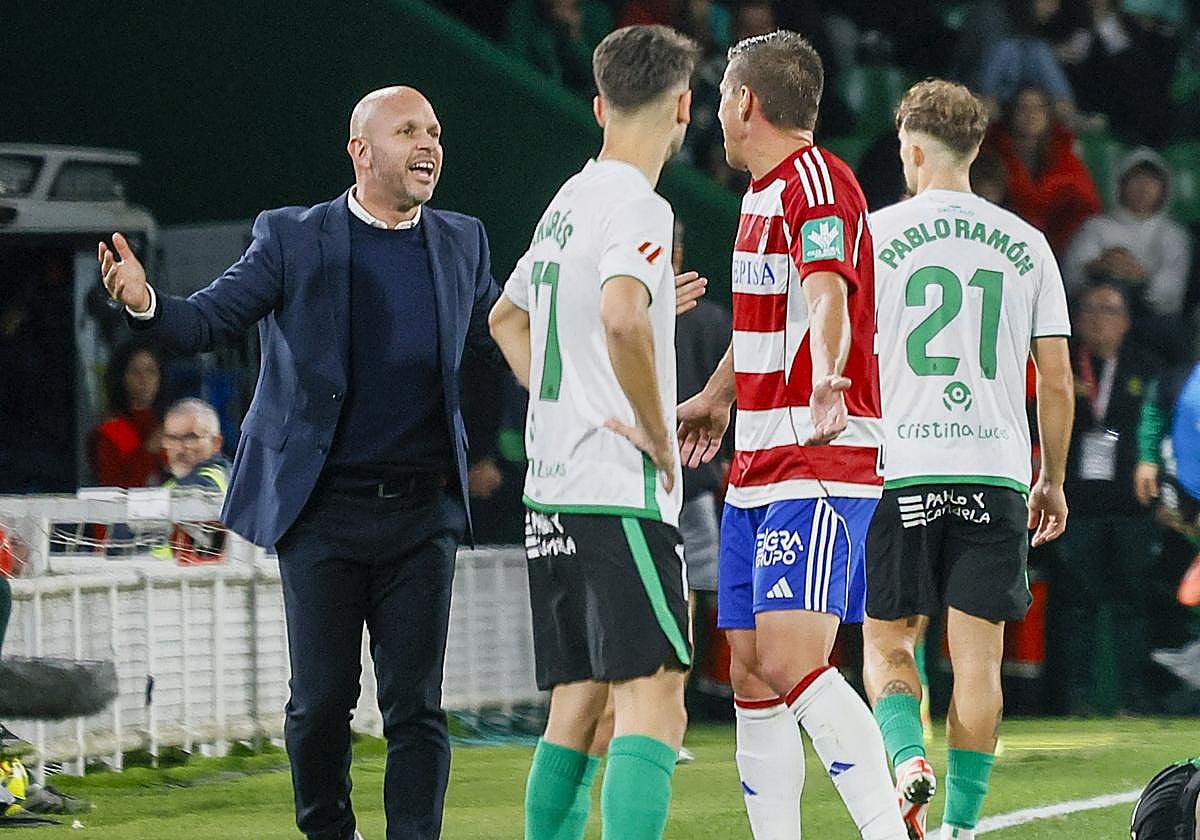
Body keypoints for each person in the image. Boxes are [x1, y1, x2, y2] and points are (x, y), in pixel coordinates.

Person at [99, 85, 503, 840]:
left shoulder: (463, 240)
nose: (429, 146)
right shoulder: (292, 235)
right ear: (361, 151)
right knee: (320, 704)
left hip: (422, 512)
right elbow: (209, 319)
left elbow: (511, 338)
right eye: (409, 131)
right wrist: (146, 300)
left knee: (417, 706)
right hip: (322, 512)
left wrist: (610, 323)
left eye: (436, 133)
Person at [677, 30, 908, 840]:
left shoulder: (816, 181)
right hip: (758, 462)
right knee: (747, 669)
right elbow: (767, 317)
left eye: (720, 97)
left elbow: (825, 292)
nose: (715, 114)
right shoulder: (761, 193)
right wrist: (714, 394)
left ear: (745, 101)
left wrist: (831, 372)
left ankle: (889, 828)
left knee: (790, 658)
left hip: (818, 456)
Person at [488, 24, 699, 840]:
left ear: (598, 104)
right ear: (684, 107)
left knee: (577, 704)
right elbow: (620, 317)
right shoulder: (640, 205)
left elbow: (508, 319)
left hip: (553, 487)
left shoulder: (568, 199)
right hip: (618, 489)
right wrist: (656, 431)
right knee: (656, 700)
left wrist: (561, 400)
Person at [862, 79, 1074, 840]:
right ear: (978, 148)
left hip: (904, 467)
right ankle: (957, 827)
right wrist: (1050, 476)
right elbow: (1054, 376)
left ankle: (907, 757)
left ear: (912, 149)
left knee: (888, 641)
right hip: (994, 472)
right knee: (977, 660)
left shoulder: (874, 234)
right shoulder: (1028, 244)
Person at [1054, 282, 1161, 715]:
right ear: (1078, 319)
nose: (1100, 319)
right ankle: (1076, 698)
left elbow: (1154, 421)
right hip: (1077, 502)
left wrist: (1149, 460)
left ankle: (1133, 698)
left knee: (1132, 602)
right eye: (1092, 309)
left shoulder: (1143, 367)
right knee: (1077, 603)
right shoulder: (1062, 368)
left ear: (1127, 321)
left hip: (1128, 504)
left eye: (1110, 310)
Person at [1063, 148, 1193, 359]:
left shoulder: (1173, 235)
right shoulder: (1096, 226)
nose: (1143, 188)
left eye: (1151, 182)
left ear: (1164, 189)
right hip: (1094, 312)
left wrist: (1139, 276)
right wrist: (1103, 267)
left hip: (1149, 317)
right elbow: (1071, 277)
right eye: (1136, 180)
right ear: (1121, 184)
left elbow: (1171, 293)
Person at [984, 85, 1102, 253]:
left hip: (1058, 248)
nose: (1030, 115)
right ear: (1011, 112)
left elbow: (1087, 206)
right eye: (1023, 107)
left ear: (1048, 114)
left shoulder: (1065, 156)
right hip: (999, 243)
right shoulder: (991, 152)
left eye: (1038, 108)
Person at [90, 339, 167, 488]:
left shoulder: (167, 423)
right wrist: (150, 449)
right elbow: (117, 485)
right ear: (121, 377)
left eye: (150, 371)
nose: (144, 379)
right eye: (135, 372)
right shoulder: (115, 428)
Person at [503, 0, 613, 97]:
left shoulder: (597, 16)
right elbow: (515, 60)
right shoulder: (524, 9)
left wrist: (574, 37)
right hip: (527, 92)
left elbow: (597, 81)